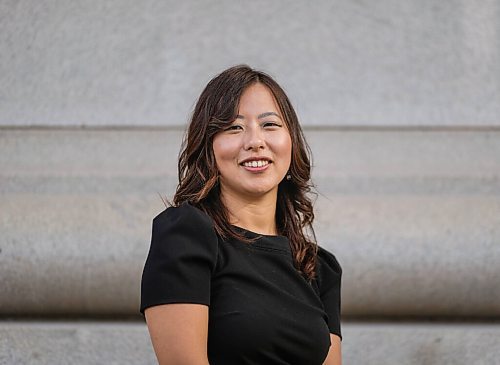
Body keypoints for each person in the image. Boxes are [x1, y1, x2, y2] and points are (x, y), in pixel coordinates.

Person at [140, 65, 342, 365]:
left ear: (292, 142)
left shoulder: (317, 267)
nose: (254, 141)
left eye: (270, 125)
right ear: (208, 146)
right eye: (234, 127)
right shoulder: (186, 234)